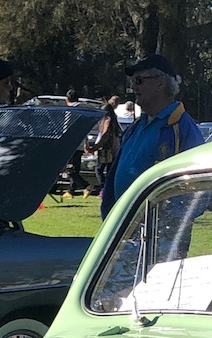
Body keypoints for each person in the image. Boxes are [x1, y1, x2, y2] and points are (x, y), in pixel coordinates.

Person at [100, 53, 205, 218]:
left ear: (161, 83)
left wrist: (167, 222)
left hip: (158, 237)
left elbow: (199, 190)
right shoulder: (135, 127)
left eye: (139, 81)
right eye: (132, 82)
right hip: (124, 231)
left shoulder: (182, 127)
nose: (134, 87)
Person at [86, 95, 123, 198]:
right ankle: (108, 190)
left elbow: (105, 136)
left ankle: (104, 189)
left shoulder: (107, 120)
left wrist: (95, 147)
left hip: (106, 150)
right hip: (113, 149)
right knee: (110, 170)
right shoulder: (113, 119)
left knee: (99, 169)